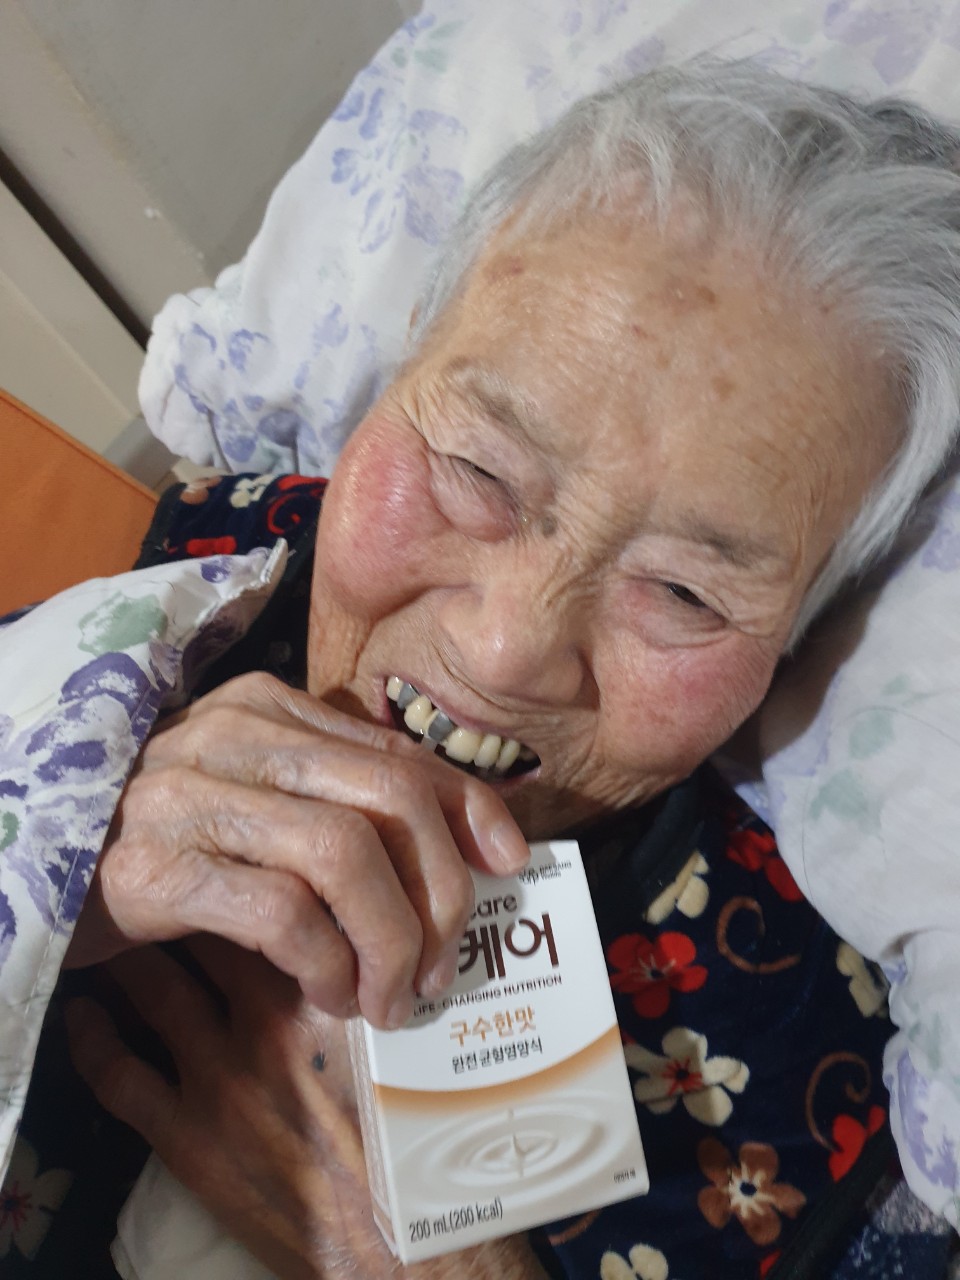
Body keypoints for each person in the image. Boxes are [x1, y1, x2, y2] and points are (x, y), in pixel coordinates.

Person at [5, 59, 960, 1278]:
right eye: (477, 467)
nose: (509, 647)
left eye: (686, 594)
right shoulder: (142, 614)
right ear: (403, 365)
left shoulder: (807, 1057)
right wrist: (43, 873)